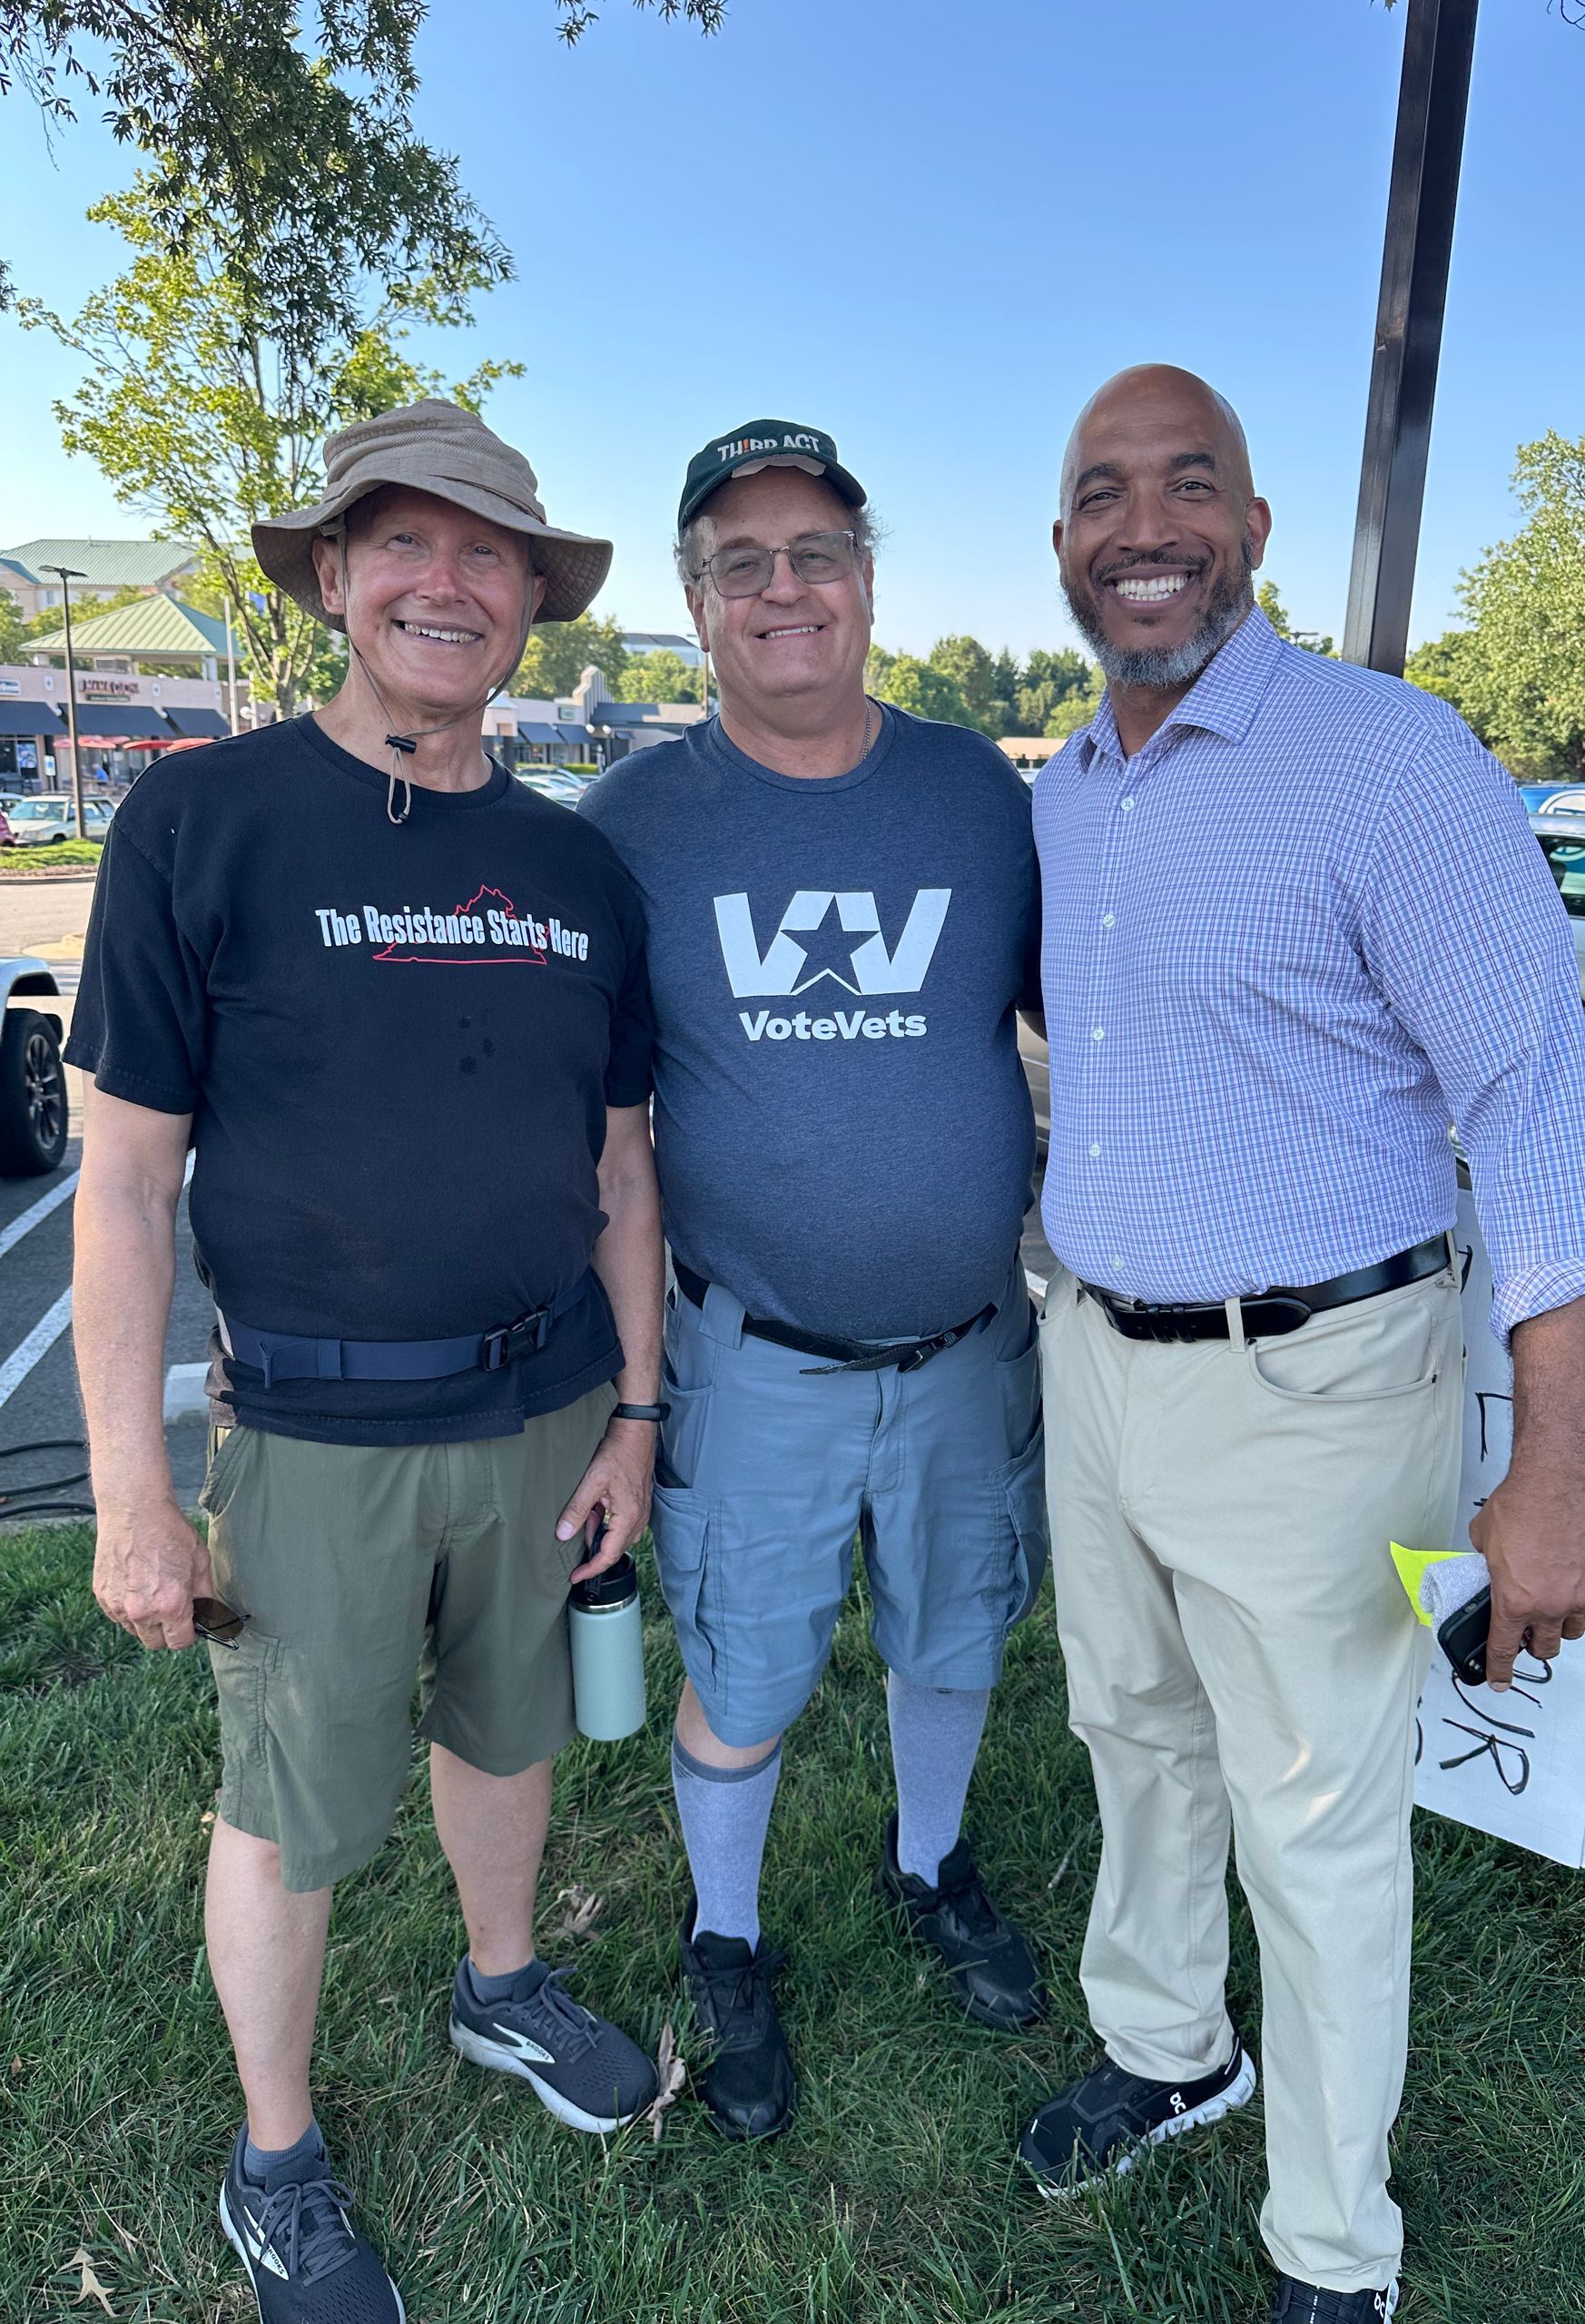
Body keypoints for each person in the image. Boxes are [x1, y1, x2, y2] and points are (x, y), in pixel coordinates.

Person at [1019, 366, 1585, 2322]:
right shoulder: (1067, 791)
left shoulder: (1388, 759)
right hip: (1095, 1362)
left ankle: (1334, 2251)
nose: (1145, 524)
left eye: (1188, 483)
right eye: (1103, 493)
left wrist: (1554, 1470)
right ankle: (1171, 2045)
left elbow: (1536, 1100)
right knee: (1132, 1729)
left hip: (1315, 1382)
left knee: (1318, 1817)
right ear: (1061, 549)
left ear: (1256, 525)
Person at [70, 400, 665, 2324]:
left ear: (532, 608)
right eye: (404, 543)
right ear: (333, 578)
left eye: (491, 552)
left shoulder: (578, 873)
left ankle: (503, 1986)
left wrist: (637, 1414)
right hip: (314, 1432)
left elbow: (622, 1166)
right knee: (291, 1804)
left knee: (508, 1727)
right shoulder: (201, 819)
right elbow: (128, 1187)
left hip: (545, 1400)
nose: (448, 579)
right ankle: (277, 2158)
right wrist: (138, 1494)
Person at [582, 419, 1049, 2141]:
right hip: (753, 1356)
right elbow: (603, 1128)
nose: (787, 589)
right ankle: (726, 1933)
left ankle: (933, 1864)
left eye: (818, 554)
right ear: (698, 602)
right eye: (743, 564)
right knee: (746, 1671)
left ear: (868, 580)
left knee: (953, 1634)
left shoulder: (979, 798)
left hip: (965, 1343)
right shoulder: (628, 824)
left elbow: (1088, 1018)